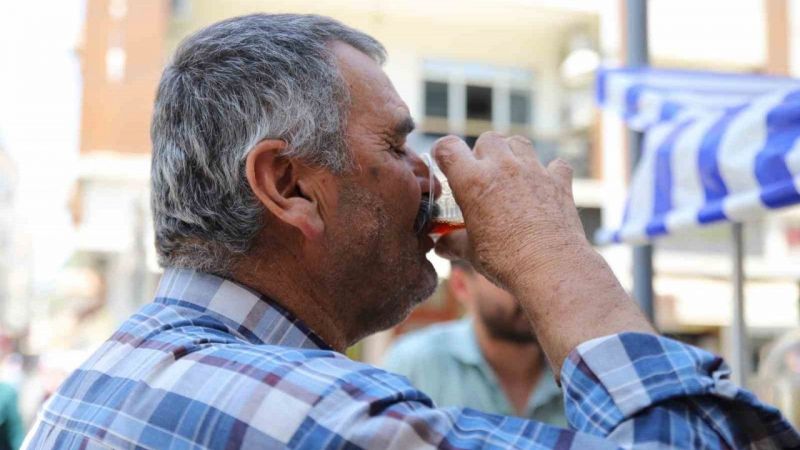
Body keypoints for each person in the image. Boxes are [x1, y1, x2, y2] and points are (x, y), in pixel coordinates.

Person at [23, 14, 799, 449]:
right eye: (397, 147)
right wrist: (555, 256)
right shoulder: (332, 419)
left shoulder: (98, 380)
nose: (429, 174)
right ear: (289, 184)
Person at [384, 260, 566, 425]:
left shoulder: (575, 369)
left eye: (540, 272)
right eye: (507, 274)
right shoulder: (416, 363)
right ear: (461, 285)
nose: (531, 288)